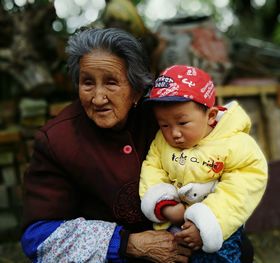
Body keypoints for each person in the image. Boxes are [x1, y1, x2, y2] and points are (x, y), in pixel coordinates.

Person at [20, 28, 193, 263]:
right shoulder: (57, 141)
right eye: (87, 83)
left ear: (137, 89)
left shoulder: (163, 117)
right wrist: (125, 244)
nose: (98, 98)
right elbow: (37, 237)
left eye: (111, 83)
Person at [139, 65, 268, 262]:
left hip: (219, 230)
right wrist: (164, 205)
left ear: (210, 116)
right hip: (175, 227)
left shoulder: (234, 143)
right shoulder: (161, 143)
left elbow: (243, 186)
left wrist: (207, 223)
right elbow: (152, 168)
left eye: (182, 123)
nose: (173, 133)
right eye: (164, 125)